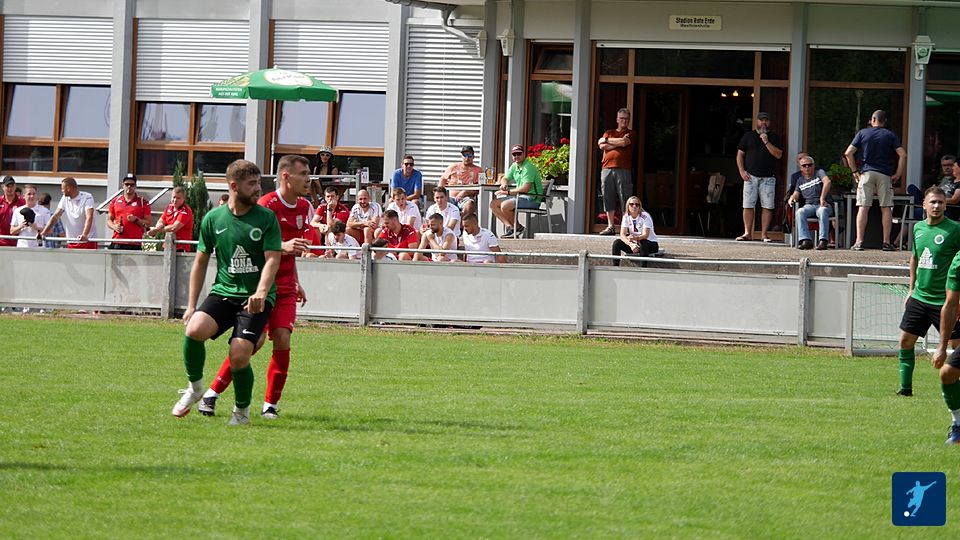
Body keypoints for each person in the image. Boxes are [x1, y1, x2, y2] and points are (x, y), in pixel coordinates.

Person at [197, 155, 312, 420]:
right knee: (251, 343)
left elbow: (289, 252)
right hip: (258, 286)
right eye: (304, 174)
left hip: (285, 287)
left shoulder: (304, 206)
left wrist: (296, 280)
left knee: (282, 338)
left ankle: (270, 405)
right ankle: (212, 393)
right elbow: (255, 244)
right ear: (286, 176)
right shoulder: (265, 204)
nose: (308, 179)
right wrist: (283, 247)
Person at [170, 159, 282, 426]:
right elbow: (200, 263)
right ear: (233, 186)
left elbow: (272, 260)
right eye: (251, 183)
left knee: (239, 354)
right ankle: (195, 388)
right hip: (224, 291)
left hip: (256, 298)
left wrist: (261, 292)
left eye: (259, 183)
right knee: (194, 329)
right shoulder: (213, 219)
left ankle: (241, 413)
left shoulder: (266, 218)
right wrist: (191, 305)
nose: (258, 189)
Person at [902, 188, 960, 401]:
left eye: (941, 202)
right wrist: (911, 289)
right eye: (933, 202)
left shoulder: (954, 229)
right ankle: (905, 389)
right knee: (905, 341)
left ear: (945, 205)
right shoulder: (918, 228)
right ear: (924, 205)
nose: (937, 206)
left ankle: (955, 386)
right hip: (920, 297)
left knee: (956, 346)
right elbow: (915, 258)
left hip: (946, 301)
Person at [844, 109, 907, 251]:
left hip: (867, 173)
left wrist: (855, 172)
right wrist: (898, 173)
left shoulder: (863, 133)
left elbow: (848, 153)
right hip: (884, 174)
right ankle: (886, 242)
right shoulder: (890, 135)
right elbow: (903, 154)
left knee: (863, 207)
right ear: (885, 121)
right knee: (886, 207)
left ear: (873, 119)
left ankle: (859, 241)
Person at [736, 112, 782, 243]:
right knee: (747, 205)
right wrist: (741, 171)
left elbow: (778, 155)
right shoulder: (748, 136)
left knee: (767, 206)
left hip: (768, 177)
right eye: (761, 120)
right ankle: (747, 233)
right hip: (750, 177)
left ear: (769, 122)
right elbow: (740, 155)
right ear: (756, 121)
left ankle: (763, 234)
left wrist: (766, 141)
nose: (764, 123)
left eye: (766, 120)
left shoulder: (774, 137)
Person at [597, 108, 637, 235]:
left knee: (625, 197)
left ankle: (626, 228)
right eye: (622, 118)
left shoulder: (631, 133)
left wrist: (607, 140)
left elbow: (624, 142)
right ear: (617, 120)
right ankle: (610, 226)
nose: (624, 121)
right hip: (607, 168)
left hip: (623, 169)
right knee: (607, 196)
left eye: (626, 119)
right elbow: (601, 145)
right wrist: (617, 142)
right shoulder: (609, 132)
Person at [491, 144, 544, 238]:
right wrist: (504, 184)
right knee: (493, 204)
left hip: (533, 199)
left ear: (524, 154)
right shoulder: (514, 166)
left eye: (519, 154)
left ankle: (517, 228)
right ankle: (511, 228)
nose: (516, 156)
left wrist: (508, 192)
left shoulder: (528, 167)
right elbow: (505, 178)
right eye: (514, 154)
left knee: (505, 205)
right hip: (520, 197)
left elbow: (526, 188)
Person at [787, 156, 832, 251]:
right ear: (800, 168)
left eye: (809, 165)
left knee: (822, 211)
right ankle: (806, 240)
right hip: (809, 206)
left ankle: (823, 241)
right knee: (800, 212)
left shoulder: (819, 173)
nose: (807, 167)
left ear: (813, 165)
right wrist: (791, 198)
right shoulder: (800, 180)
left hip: (823, 204)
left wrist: (822, 197)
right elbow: (796, 193)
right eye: (804, 165)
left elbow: (827, 182)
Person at [38, 177, 98, 249]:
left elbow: (89, 217)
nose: (61, 191)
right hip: (72, 240)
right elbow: (55, 216)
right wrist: (43, 233)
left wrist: (84, 235)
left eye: (62, 188)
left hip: (87, 240)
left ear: (68, 188)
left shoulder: (87, 197)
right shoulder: (64, 198)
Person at [107, 173, 151, 251]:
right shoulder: (115, 201)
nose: (129, 187)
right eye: (127, 184)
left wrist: (136, 220)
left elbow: (148, 223)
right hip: (117, 241)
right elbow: (109, 220)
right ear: (123, 185)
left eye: (132, 185)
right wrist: (114, 227)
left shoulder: (142, 202)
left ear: (135, 186)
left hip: (134, 243)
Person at [611, 196, 658, 266]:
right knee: (617, 243)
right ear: (628, 206)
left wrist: (635, 238)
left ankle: (643, 268)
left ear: (639, 206)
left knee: (643, 242)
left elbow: (645, 235)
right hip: (634, 245)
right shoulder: (626, 217)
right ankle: (615, 267)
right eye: (632, 204)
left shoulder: (645, 216)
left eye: (637, 204)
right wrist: (631, 244)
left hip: (649, 244)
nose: (634, 206)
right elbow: (622, 234)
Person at [439, 145, 483, 215]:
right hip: (450, 197)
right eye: (465, 155)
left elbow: (479, 188)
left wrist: (465, 192)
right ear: (461, 156)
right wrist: (440, 193)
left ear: (473, 156)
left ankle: (462, 222)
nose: (467, 158)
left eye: (469, 155)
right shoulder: (453, 167)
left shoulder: (479, 170)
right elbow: (443, 179)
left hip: (466, 198)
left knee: (469, 205)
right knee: (442, 203)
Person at [147, 186, 194, 252]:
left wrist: (156, 230)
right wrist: (158, 226)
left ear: (184, 199)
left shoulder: (186, 211)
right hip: (168, 245)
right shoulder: (169, 207)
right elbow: (160, 221)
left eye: (178, 198)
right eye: (173, 197)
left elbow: (174, 228)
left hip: (181, 247)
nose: (175, 200)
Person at [0, 176, 26, 247]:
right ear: (2, 187)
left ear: (15, 186)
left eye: (12, 186)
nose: (10, 189)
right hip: (1, 240)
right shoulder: (0, 201)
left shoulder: (22, 202)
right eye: (7, 186)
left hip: (18, 241)